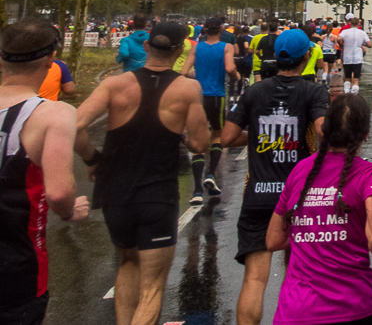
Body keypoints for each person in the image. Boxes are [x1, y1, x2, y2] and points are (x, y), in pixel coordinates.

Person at [74, 21, 208, 325]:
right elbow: (200, 144)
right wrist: (185, 131)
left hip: (115, 192)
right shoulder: (188, 89)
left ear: (146, 46)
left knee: (127, 265)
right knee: (152, 288)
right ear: (178, 51)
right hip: (157, 194)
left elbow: (76, 126)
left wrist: (92, 159)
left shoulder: (113, 85)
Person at [221, 29, 329, 325]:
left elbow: (228, 137)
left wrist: (259, 136)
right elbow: (323, 132)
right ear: (306, 57)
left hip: (257, 194)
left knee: (254, 279)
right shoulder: (313, 91)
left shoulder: (254, 92)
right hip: (298, 198)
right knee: (299, 276)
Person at [266, 94, 372, 325]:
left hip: (296, 312)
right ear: (365, 134)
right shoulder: (371, 174)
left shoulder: (299, 171)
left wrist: (312, 232)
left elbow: (273, 239)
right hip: (354, 309)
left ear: (324, 130)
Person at [1, 20, 90, 325]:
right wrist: (69, 212)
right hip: (16, 266)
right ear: (52, 60)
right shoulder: (54, 114)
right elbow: (59, 192)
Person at [182, 17, 236, 204]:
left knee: (197, 142)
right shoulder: (226, 47)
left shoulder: (196, 47)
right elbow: (229, 68)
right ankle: (211, 174)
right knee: (217, 135)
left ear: (204, 30)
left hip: (198, 96)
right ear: (221, 29)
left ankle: (196, 191)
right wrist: (235, 76)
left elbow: (183, 72)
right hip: (217, 95)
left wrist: (195, 75)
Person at [339, 18, 371, 95]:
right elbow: (370, 44)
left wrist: (341, 45)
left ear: (350, 23)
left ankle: (346, 91)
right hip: (358, 58)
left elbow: (338, 38)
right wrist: (363, 44)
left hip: (347, 57)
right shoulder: (362, 33)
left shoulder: (345, 32)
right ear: (358, 24)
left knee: (347, 77)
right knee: (356, 79)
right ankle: (354, 94)